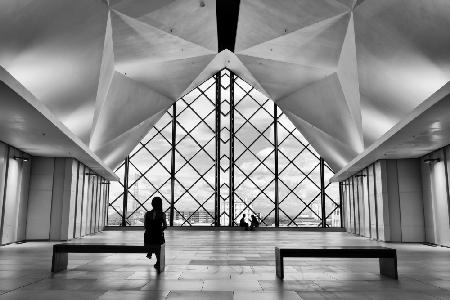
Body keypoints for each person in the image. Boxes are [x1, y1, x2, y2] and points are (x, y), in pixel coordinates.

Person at [144, 197, 167, 270]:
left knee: (150, 238)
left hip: (148, 237)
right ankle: (158, 262)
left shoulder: (147, 214)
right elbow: (165, 226)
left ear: (152, 204)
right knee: (159, 244)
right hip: (158, 237)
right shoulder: (162, 214)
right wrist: (160, 230)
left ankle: (149, 252)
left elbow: (145, 226)